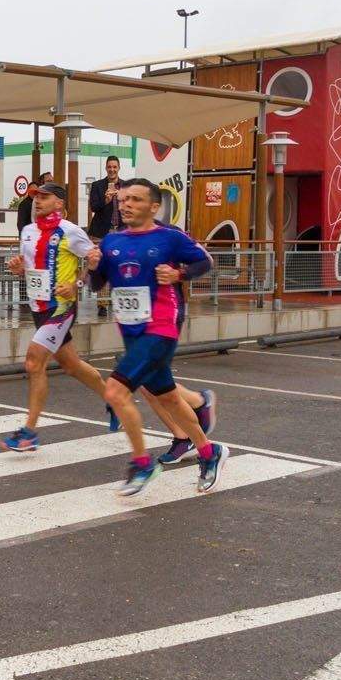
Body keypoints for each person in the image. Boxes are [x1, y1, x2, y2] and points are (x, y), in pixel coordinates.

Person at [87, 179, 228, 497]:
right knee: (168, 398)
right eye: (123, 200)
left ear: (153, 206)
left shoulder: (169, 237)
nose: (126, 205)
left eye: (135, 199)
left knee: (115, 390)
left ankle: (141, 463)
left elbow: (205, 261)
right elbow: (97, 285)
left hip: (161, 327)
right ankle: (209, 452)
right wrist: (94, 266)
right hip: (132, 330)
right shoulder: (111, 242)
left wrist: (179, 274)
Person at [0, 182, 112, 452]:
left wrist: (77, 285)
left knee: (33, 362)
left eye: (45, 197)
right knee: (72, 365)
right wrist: (17, 267)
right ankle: (115, 400)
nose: (38, 201)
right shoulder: (27, 231)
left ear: (59, 203)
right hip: (38, 307)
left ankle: (29, 433)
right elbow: (28, 268)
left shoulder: (70, 231)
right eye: (36, 197)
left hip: (61, 309)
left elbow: (97, 261)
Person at [88, 155, 125, 316]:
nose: (112, 169)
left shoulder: (125, 186)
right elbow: (93, 207)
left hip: (121, 232)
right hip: (101, 232)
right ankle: (102, 304)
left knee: (119, 266)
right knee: (102, 265)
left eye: (114, 167)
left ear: (118, 168)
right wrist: (106, 200)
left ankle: (119, 301)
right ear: (106, 168)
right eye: (109, 167)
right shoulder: (97, 185)